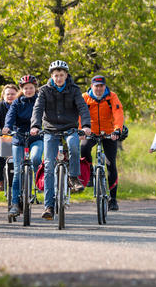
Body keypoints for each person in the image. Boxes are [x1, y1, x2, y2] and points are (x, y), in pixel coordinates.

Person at [30, 60, 91, 220]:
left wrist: (85, 125)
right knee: (49, 166)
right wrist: (35, 125)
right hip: (50, 130)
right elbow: (37, 109)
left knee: (73, 144)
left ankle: (73, 177)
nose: (58, 78)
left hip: (70, 128)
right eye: (56, 75)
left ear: (66, 75)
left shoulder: (74, 90)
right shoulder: (44, 90)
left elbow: (82, 107)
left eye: (61, 75)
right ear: (52, 76)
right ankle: (48, 206)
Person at [80, 75, 124, 211]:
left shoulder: (112, 96)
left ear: (104, 86)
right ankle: (90, 172)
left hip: (109, 133)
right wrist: (80, 130)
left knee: (111, 164)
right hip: (90, 132)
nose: (99, 89)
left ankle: (113, 199)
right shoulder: (85, 97)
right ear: (92, 86)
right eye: (96, 86)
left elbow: (118, 113)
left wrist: (117, 130)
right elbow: (80, 114)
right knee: (84, 149)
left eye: (101, 86)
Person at [2, 76, 43, 217]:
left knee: (36, 158)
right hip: (19, 138)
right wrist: (7, 127)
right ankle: (15, 203)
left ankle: (36, 182)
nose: (28, 90)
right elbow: (10, 116)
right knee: (18, 171)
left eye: (31, 87)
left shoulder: (40, 100)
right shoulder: (17, 102)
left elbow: (45, 115)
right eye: (25, 88)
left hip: (36, 138)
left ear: (35, 88)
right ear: (22, 89)